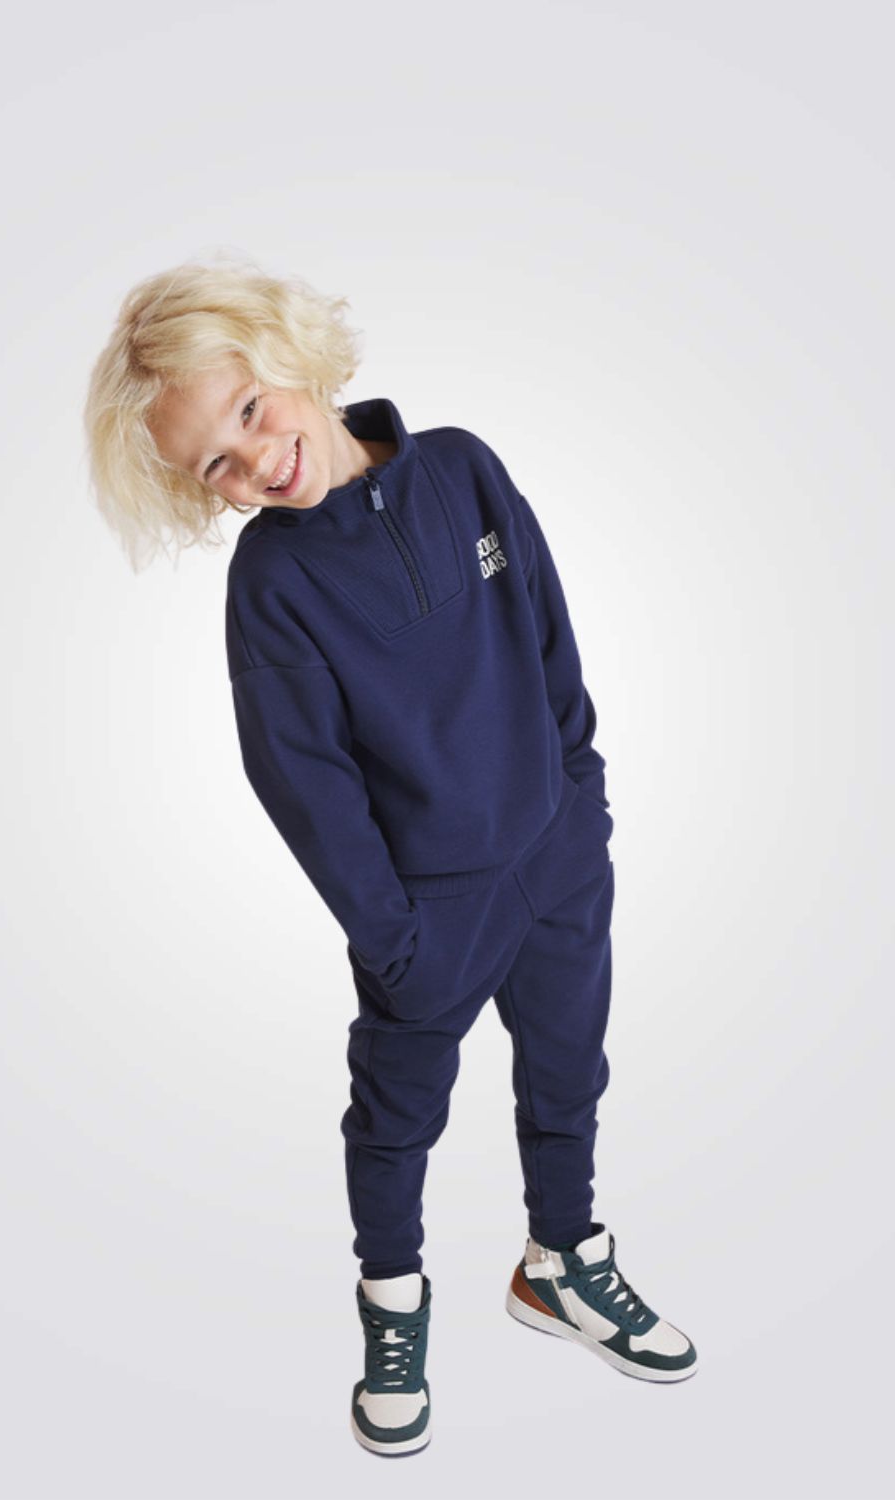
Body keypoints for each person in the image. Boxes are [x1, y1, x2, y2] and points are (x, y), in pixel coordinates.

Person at [83, 252, 698, 1459]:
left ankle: (562, 1262)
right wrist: (391, 934)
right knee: (395, 1118)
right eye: (215, 465)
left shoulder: (462, 469)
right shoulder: (272, 584)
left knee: (568, 1072)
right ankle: (393, 1302)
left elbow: (547, 631)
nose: (255, 461)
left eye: (249, 410)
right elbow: (301, 780)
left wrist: (581, 797)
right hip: (427, 913)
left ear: (291, 356)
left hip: (557, 859)